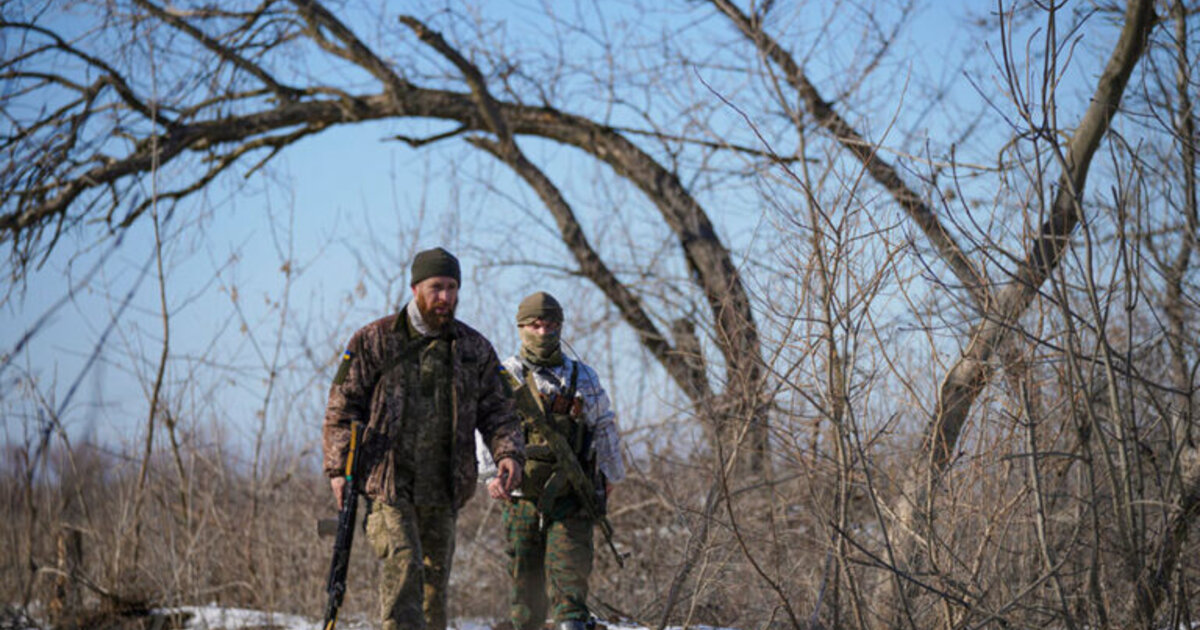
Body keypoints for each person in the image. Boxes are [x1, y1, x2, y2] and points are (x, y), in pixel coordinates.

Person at [323, 247, 525, 630]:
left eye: (452, 287)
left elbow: (500, 411)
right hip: (387, 483)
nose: (445, 297)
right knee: (404, 565)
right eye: (436, 287)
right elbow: (341, 408)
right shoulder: (373, 340)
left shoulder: (474, 349)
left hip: (444, 486)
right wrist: (338, 470)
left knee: (434, 588)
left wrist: (508, 453)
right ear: (415, 288)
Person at [486, 291, 626, 630]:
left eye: (551, 325)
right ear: (521, 327)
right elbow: (487, 425)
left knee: (570, 588)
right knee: (525, 593)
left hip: (572, 496)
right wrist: (490, 474)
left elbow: (604, 425)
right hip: (520, 496)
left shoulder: (583, 377)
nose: (543, 332)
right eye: (535, 325)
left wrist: (611, 475)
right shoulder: (504, 376)